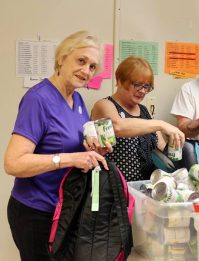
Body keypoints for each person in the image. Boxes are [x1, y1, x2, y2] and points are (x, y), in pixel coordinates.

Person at [4, 31, 111, 260]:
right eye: (81, 61)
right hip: (36, 213)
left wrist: (91, 151)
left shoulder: (77, 100)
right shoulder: (38, 99)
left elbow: (67, 144)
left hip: (63, 210)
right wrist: (71, 158)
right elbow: (13, 163)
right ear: (62, 58)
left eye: (92, 67)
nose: (86, 71)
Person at [91, 56, 185, 181]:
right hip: (113, 188)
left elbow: (161, 147)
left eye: (147, 86)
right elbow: (118, 126)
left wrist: (177, 145)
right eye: (137, 85)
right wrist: (162, 124)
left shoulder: (144, 111)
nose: (142, 91)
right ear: (119, 81)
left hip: (144, 188)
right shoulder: (104, 105)